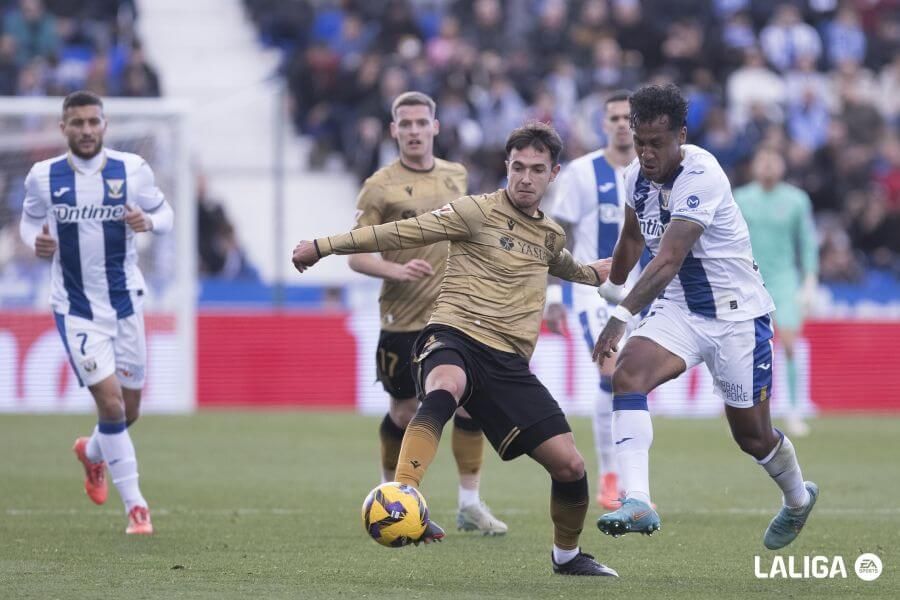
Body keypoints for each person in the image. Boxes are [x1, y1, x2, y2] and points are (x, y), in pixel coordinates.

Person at [294, 122, 619, 577]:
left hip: (507, 363)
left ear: (553, 173)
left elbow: (563, 265)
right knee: (446, 384)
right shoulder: (474, 211)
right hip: (454, 335)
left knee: (570, 466)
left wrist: (592, 274)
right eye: (518, 167)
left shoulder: (550, 236)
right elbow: (400, 232)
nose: (525, 177)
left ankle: (566, 557)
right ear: (507, 166)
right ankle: (403, 496)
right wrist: (322, 247)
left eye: (537, 169)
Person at [591, 84, 817, 551]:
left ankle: (797, 499)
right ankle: (638, 500)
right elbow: (633, 241)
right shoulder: (635, 174)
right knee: (628, 375)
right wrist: (606, 278)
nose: (648, 153)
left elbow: (669, 256)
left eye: (658, 142)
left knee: (752, 437)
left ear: (681, 136)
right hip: (679, 310)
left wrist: (620, 314)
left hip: (736, 317)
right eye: (640, 141)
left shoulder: (703, 173)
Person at [347, 91, 506, 535]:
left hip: (455, 317)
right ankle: (390, 496)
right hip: (402, 320)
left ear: (436, 127)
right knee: (404, 413)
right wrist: (395, 269)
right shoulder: (380, 186)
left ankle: (469, 504)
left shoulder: (457, 174)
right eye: (406, 124)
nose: (414, 131)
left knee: (471, 405)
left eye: (422, 123)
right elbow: (356, 257)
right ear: (393, 130)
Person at [19, 90, 174, 535]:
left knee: (128, 412)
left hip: (126, 304)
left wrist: (149, 222)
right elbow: (29, 221)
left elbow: (166, 214)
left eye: (93, 122)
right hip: (76, 308)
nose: (86, 130)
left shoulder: (132, 170)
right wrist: (36, 242)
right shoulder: (42, 177)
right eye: (77, 122)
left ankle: (91, 454)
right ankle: (137, 508)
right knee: (109, 404)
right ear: (63, 127)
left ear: (105, 126)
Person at [544, 90, 644, 509]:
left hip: (646, 293)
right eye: (615, 117)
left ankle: (633, 483)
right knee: (611, 371)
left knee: (632, 384)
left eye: (628, 117)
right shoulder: (582, 173)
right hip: (593, 294)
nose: (622, 123)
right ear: (604, 124)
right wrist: (552, 293)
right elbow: (555, 233)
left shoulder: (653, 172)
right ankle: (610, 476)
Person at [734, 148, 819, 437]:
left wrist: (809, 281)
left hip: (784, 280)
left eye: (773, 160)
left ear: (782, 166)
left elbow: (807, 243)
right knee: (743, 346)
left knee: (790, 342)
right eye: (763, 160)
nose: (768, 166)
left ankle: (794, 409)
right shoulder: (742, 198)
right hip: (750, 279)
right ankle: (744, 407)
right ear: (754, 166)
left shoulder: (796, 200)